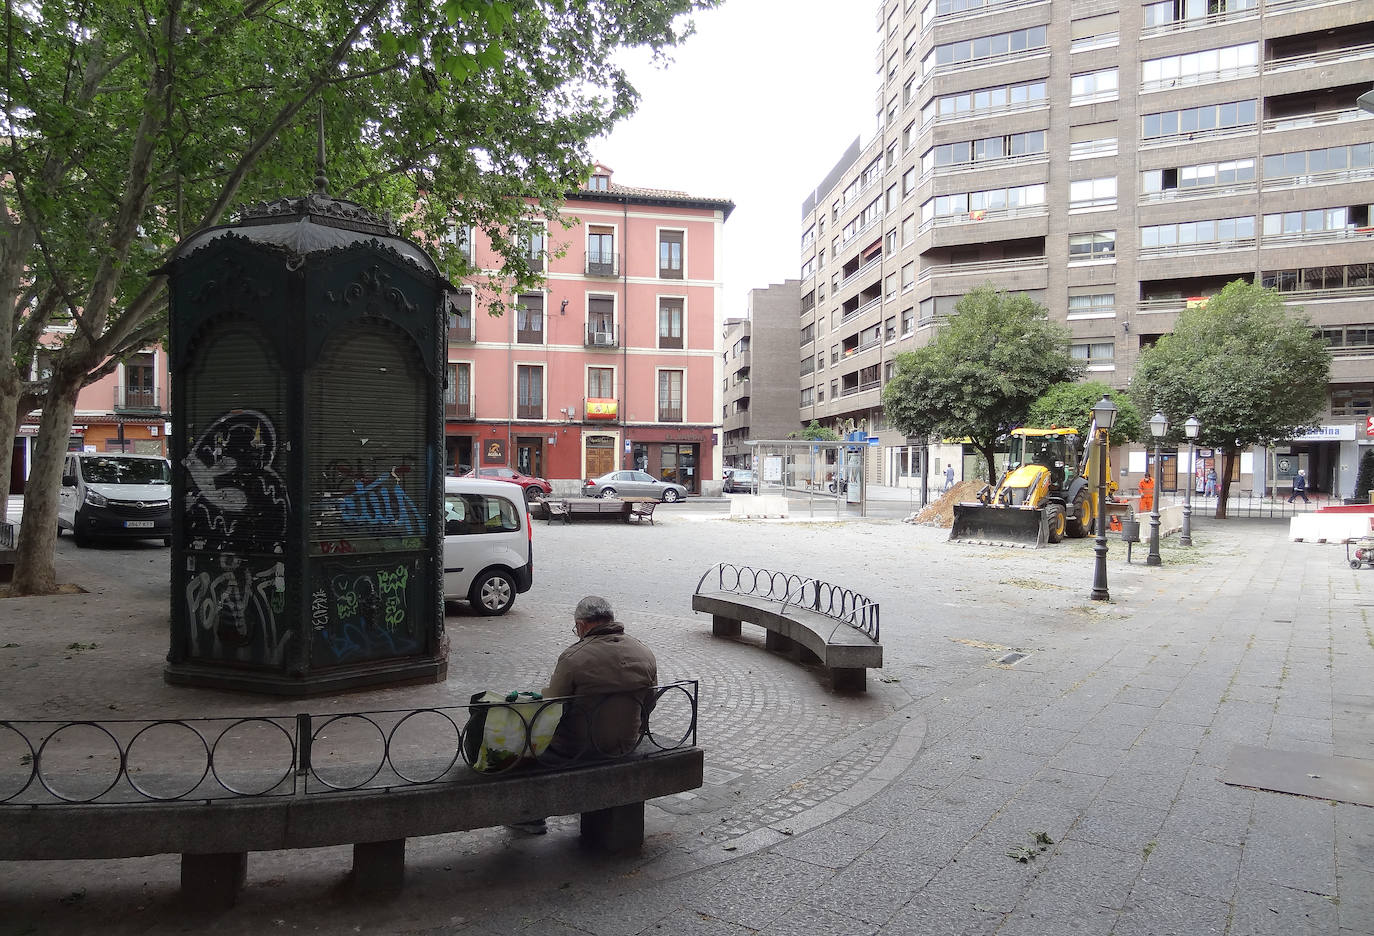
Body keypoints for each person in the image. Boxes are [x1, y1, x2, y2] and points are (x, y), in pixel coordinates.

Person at [507, 596, 657, 834]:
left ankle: (530, 816)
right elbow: (649, 703)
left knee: (523, 750)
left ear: (582, 625)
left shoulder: (574, 657)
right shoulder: (644, 651)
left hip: (579, 748)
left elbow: (550, 709)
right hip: (626, 744)